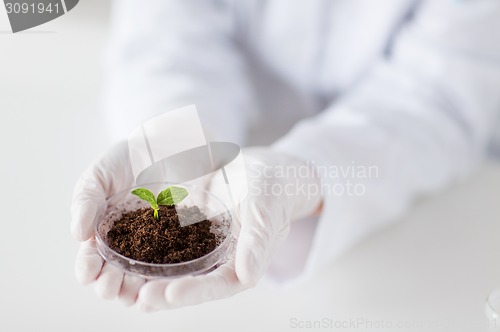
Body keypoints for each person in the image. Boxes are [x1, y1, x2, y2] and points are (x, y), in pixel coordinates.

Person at [71, 0, 500, 311]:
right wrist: (177, 140)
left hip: (425, 213)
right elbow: (168, 35)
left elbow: (438, 97)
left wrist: (303, 172)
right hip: (239, 123)